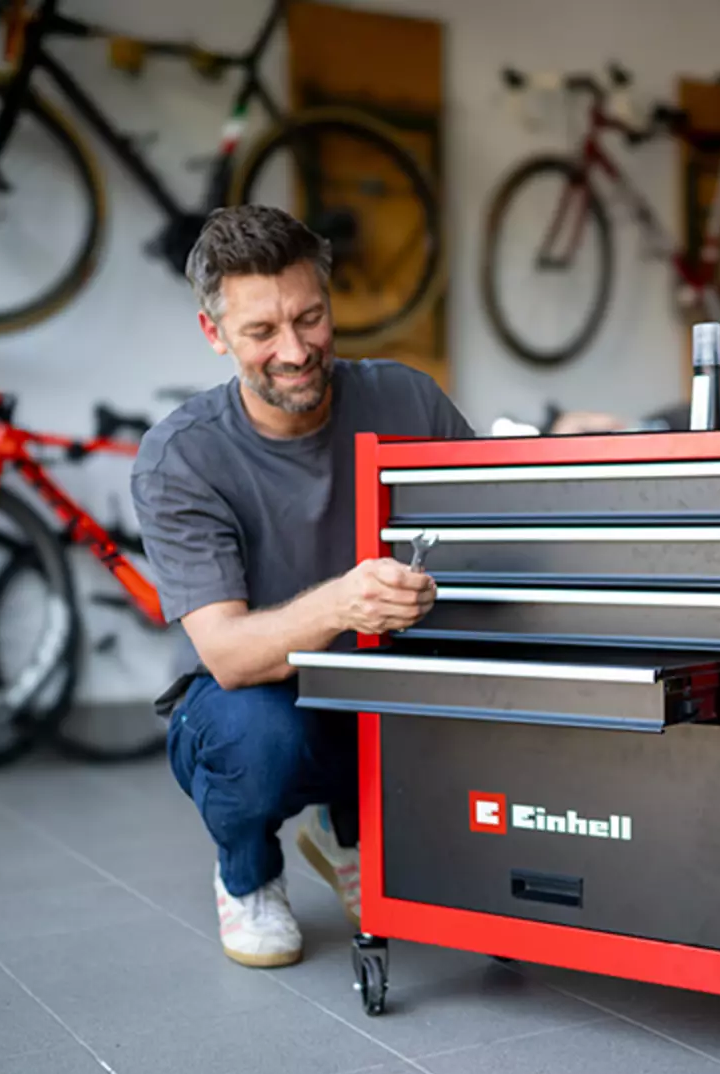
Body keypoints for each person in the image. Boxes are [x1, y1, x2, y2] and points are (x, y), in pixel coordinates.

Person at [130, 204, 472, 969]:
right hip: (254, 702)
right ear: (214, 335)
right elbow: (228, 655)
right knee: (259, 740)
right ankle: (247, 875)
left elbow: (494, 543)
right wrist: (342, 601)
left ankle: (348, 832)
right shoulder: (180, 458)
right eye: (261, 333)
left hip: (384, 685)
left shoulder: (409, 402)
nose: (295, 350)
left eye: (310, 317)